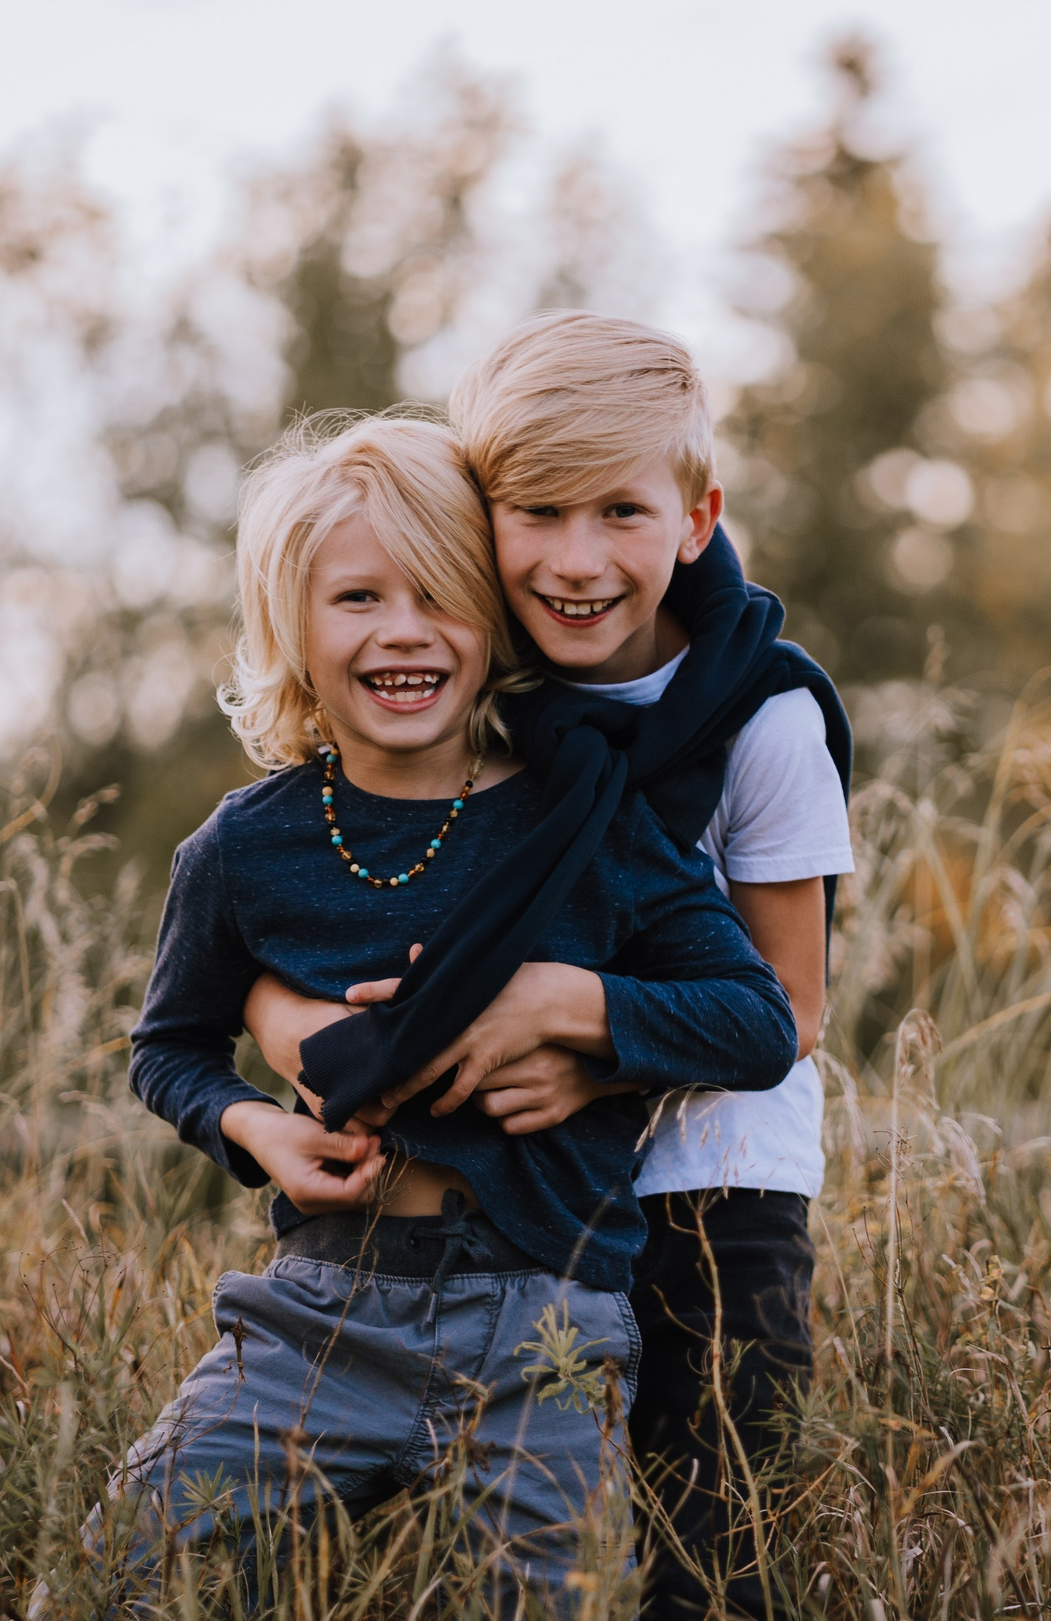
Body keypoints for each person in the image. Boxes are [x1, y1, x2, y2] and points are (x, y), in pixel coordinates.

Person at [74, 414, 799, 1611]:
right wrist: (256, 1132)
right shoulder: (244, 851)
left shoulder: (587, 825)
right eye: (356, 598)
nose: (403, 632)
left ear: (495, 623)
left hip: (545, 1326)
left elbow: (754, 1020)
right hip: (316, 1319)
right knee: (117, 1580)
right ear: (293, 630)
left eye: (441, 597)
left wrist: (578, 1015)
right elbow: (171, 1047)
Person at [247, 313, 852, 1621]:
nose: (579, 559)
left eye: (621, 512)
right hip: (522, 1203)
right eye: (537, 512)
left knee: (702, 1556)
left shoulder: (764, 717)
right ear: (483, 516)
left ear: (696, 517)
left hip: (712, 1196)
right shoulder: (477, 683)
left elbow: (791, 1009)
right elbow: (296, 891)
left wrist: (567, 1016)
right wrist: (293, 1018)